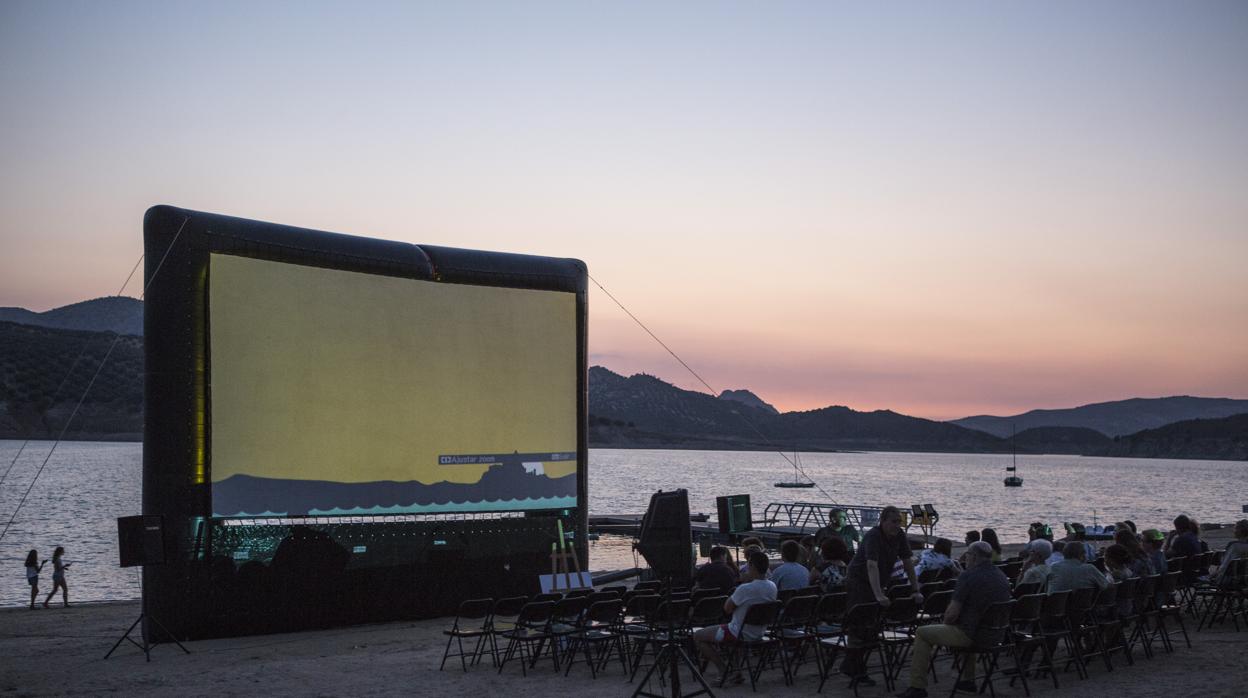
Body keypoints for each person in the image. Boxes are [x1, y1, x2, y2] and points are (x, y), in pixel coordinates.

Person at [897, 541, 1011, 698]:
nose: (965, 557)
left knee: (922, 633)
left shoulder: (968, 576)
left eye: (968, 554)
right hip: (997, 634)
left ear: (975, 557)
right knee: (968, 624)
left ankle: (917, 687)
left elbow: (951, 614)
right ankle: (967, 681)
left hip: (973, 635)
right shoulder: (1001, 576)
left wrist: (947, 624)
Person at [841, 506, 922, 685]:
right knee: (861, 620)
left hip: (879, 579)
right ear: (883, 521)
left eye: (899, 522)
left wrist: (915, 589)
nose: (897, 525)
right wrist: (878, 594)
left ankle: (852, 664)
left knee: (873, 624)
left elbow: (908, 562)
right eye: (893, 522)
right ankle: (855, 667)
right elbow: (871, 565)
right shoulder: (873, 536)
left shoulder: (899, 535)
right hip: (859, 580)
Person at [693, 550, 777, 684]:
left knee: (698, 636)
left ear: (752, 566)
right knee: (731, 630)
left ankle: (723, 670)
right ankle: (736, 672)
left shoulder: (745, 589)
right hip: (759, 632)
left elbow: (727, 608)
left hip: (738, 633)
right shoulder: (772, 587)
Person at [1212, 519, 1248, 586]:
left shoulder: (1234, 545)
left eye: (1236, 529)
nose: (1234, 531)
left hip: (1229, 580)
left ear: (1241, 531)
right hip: (1243, 579)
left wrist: (1215, 574)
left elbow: (1225, 565)